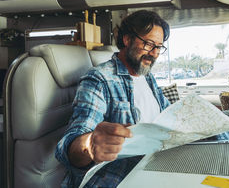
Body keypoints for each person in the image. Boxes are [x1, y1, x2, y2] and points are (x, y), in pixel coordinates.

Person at [55, 10, 171, 187]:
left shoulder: (148, 77)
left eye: (159, 47)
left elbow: (168, 114)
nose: (154, 53)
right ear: (127, 39)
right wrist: (90, 144)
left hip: (153, 168)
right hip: (117, 179)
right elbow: (71, 142)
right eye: (148, 44)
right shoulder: (99, 79)